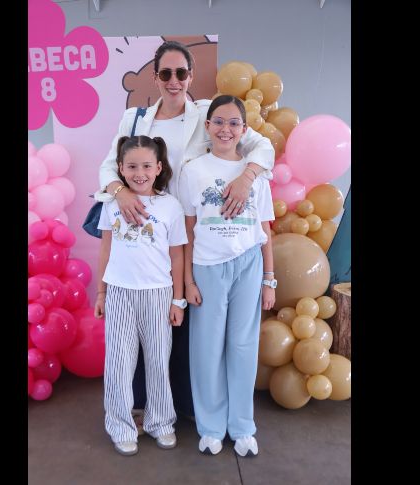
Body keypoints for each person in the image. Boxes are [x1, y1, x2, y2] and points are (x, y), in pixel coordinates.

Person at [94, 40, 275, 421]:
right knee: (141, 320)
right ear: (156, 77)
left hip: (189, 229)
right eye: (165, 73)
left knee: (180, 318)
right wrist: (121, 192)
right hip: (144, 223)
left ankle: (185, 409)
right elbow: (109, 166)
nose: (173, 81)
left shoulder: (206, 113)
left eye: (181, 73)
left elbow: (261, 145)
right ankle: (140, 406)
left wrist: (247, 177)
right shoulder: (135, 118)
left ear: (191, 76)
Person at [178, 95, 276, 457]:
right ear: (207, 126)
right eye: (219, 121)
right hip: (207, 266)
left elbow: (266, 230)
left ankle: (242, 425)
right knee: (206, 348)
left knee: (243, 347)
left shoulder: (257, 173)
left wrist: (269, 278)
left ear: (244, 130)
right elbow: (187, 231)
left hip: (248, 265)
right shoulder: (193, 171)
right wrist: (187, 281)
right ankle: (211, 426)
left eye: (234, 123)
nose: (226, 129)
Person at [94, 135, 188, 456]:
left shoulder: (170, 206)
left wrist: (178, 299)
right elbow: (105, 247)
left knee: (158, 360)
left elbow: (177, 256)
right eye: (132, 166)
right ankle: (120, 425)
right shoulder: (111, 204)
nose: (140, 173)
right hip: (120, 293)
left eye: (147, 166)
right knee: (119, 363)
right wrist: (101, 291)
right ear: (120, 169)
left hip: (158, 295)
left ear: (158, 167)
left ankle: (160, 422)